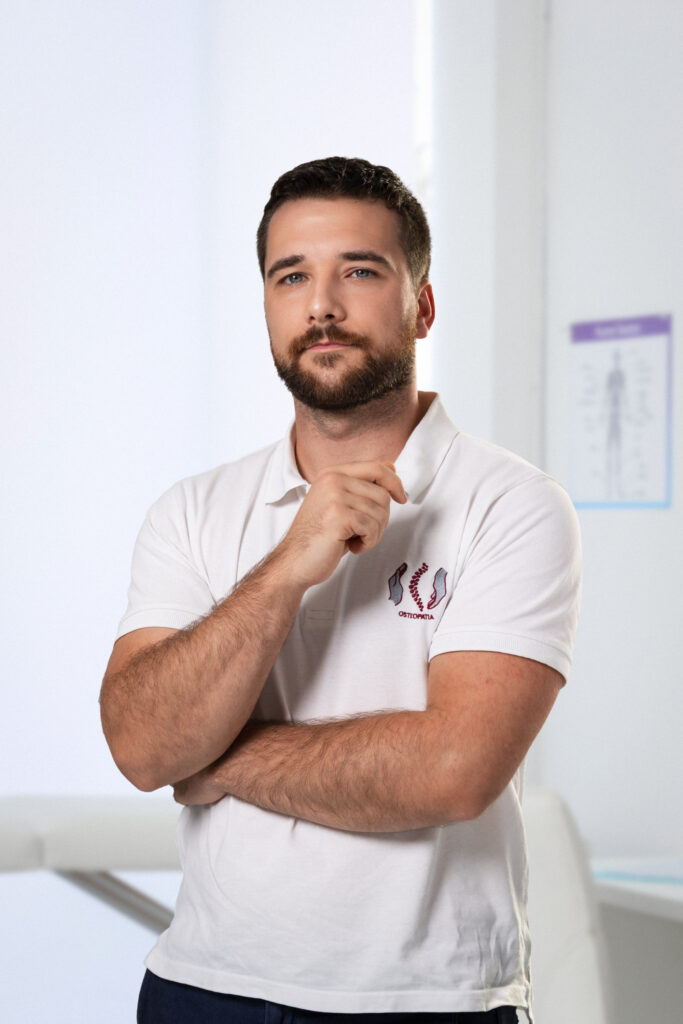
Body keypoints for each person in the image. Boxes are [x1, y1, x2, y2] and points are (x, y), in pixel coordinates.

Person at [100, 156, 581, 1024]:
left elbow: (452, 772)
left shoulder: (510, 504)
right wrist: (289, 563)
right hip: (202, 989)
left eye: (358, 271)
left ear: (420, 306)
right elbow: (140, 746)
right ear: (267, 306)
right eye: (291, 276)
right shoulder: (194, 509)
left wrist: (215, 756)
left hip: (428, 1000)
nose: (320, 305)